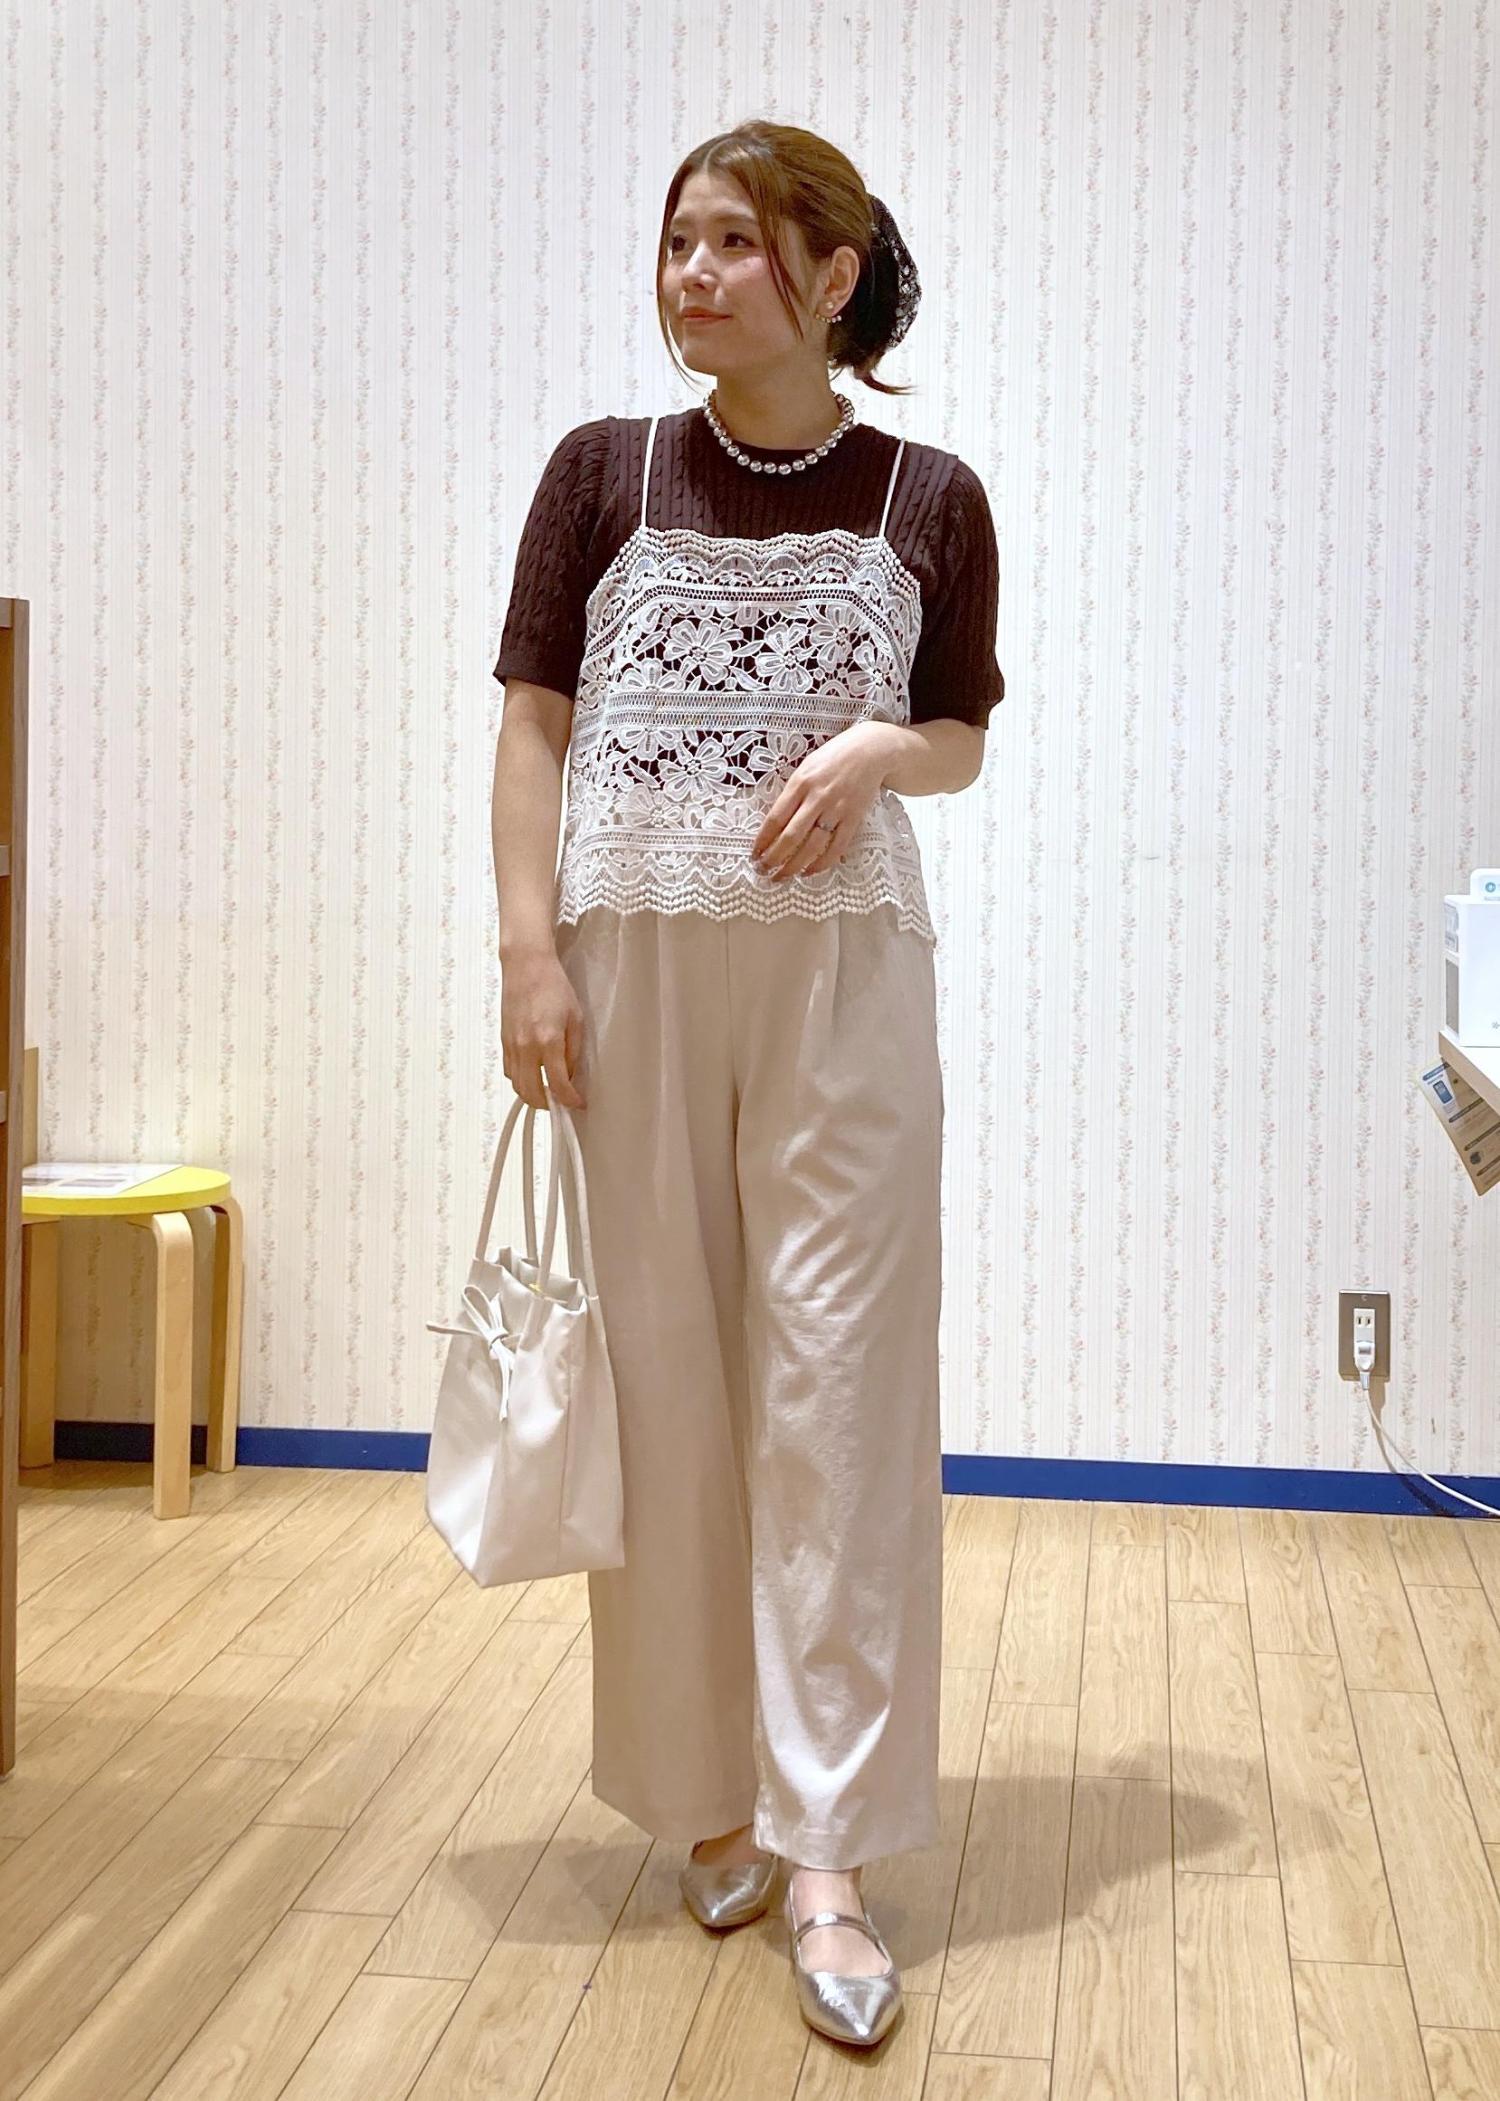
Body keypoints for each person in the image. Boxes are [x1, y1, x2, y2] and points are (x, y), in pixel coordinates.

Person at [491, 118, 1003, 2049]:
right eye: (677, 241)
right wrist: (528, 952)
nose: (691, 274)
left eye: (732, 243)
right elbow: (534, 727)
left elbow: (958, 734)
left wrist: (878, 754)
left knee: (841, 1397)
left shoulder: (929, 497)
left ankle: (831, 1849)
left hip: (842, 981)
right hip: (627, 968)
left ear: (831, 274)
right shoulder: (599, 474)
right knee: (668, 1385)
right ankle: (705, 1793)